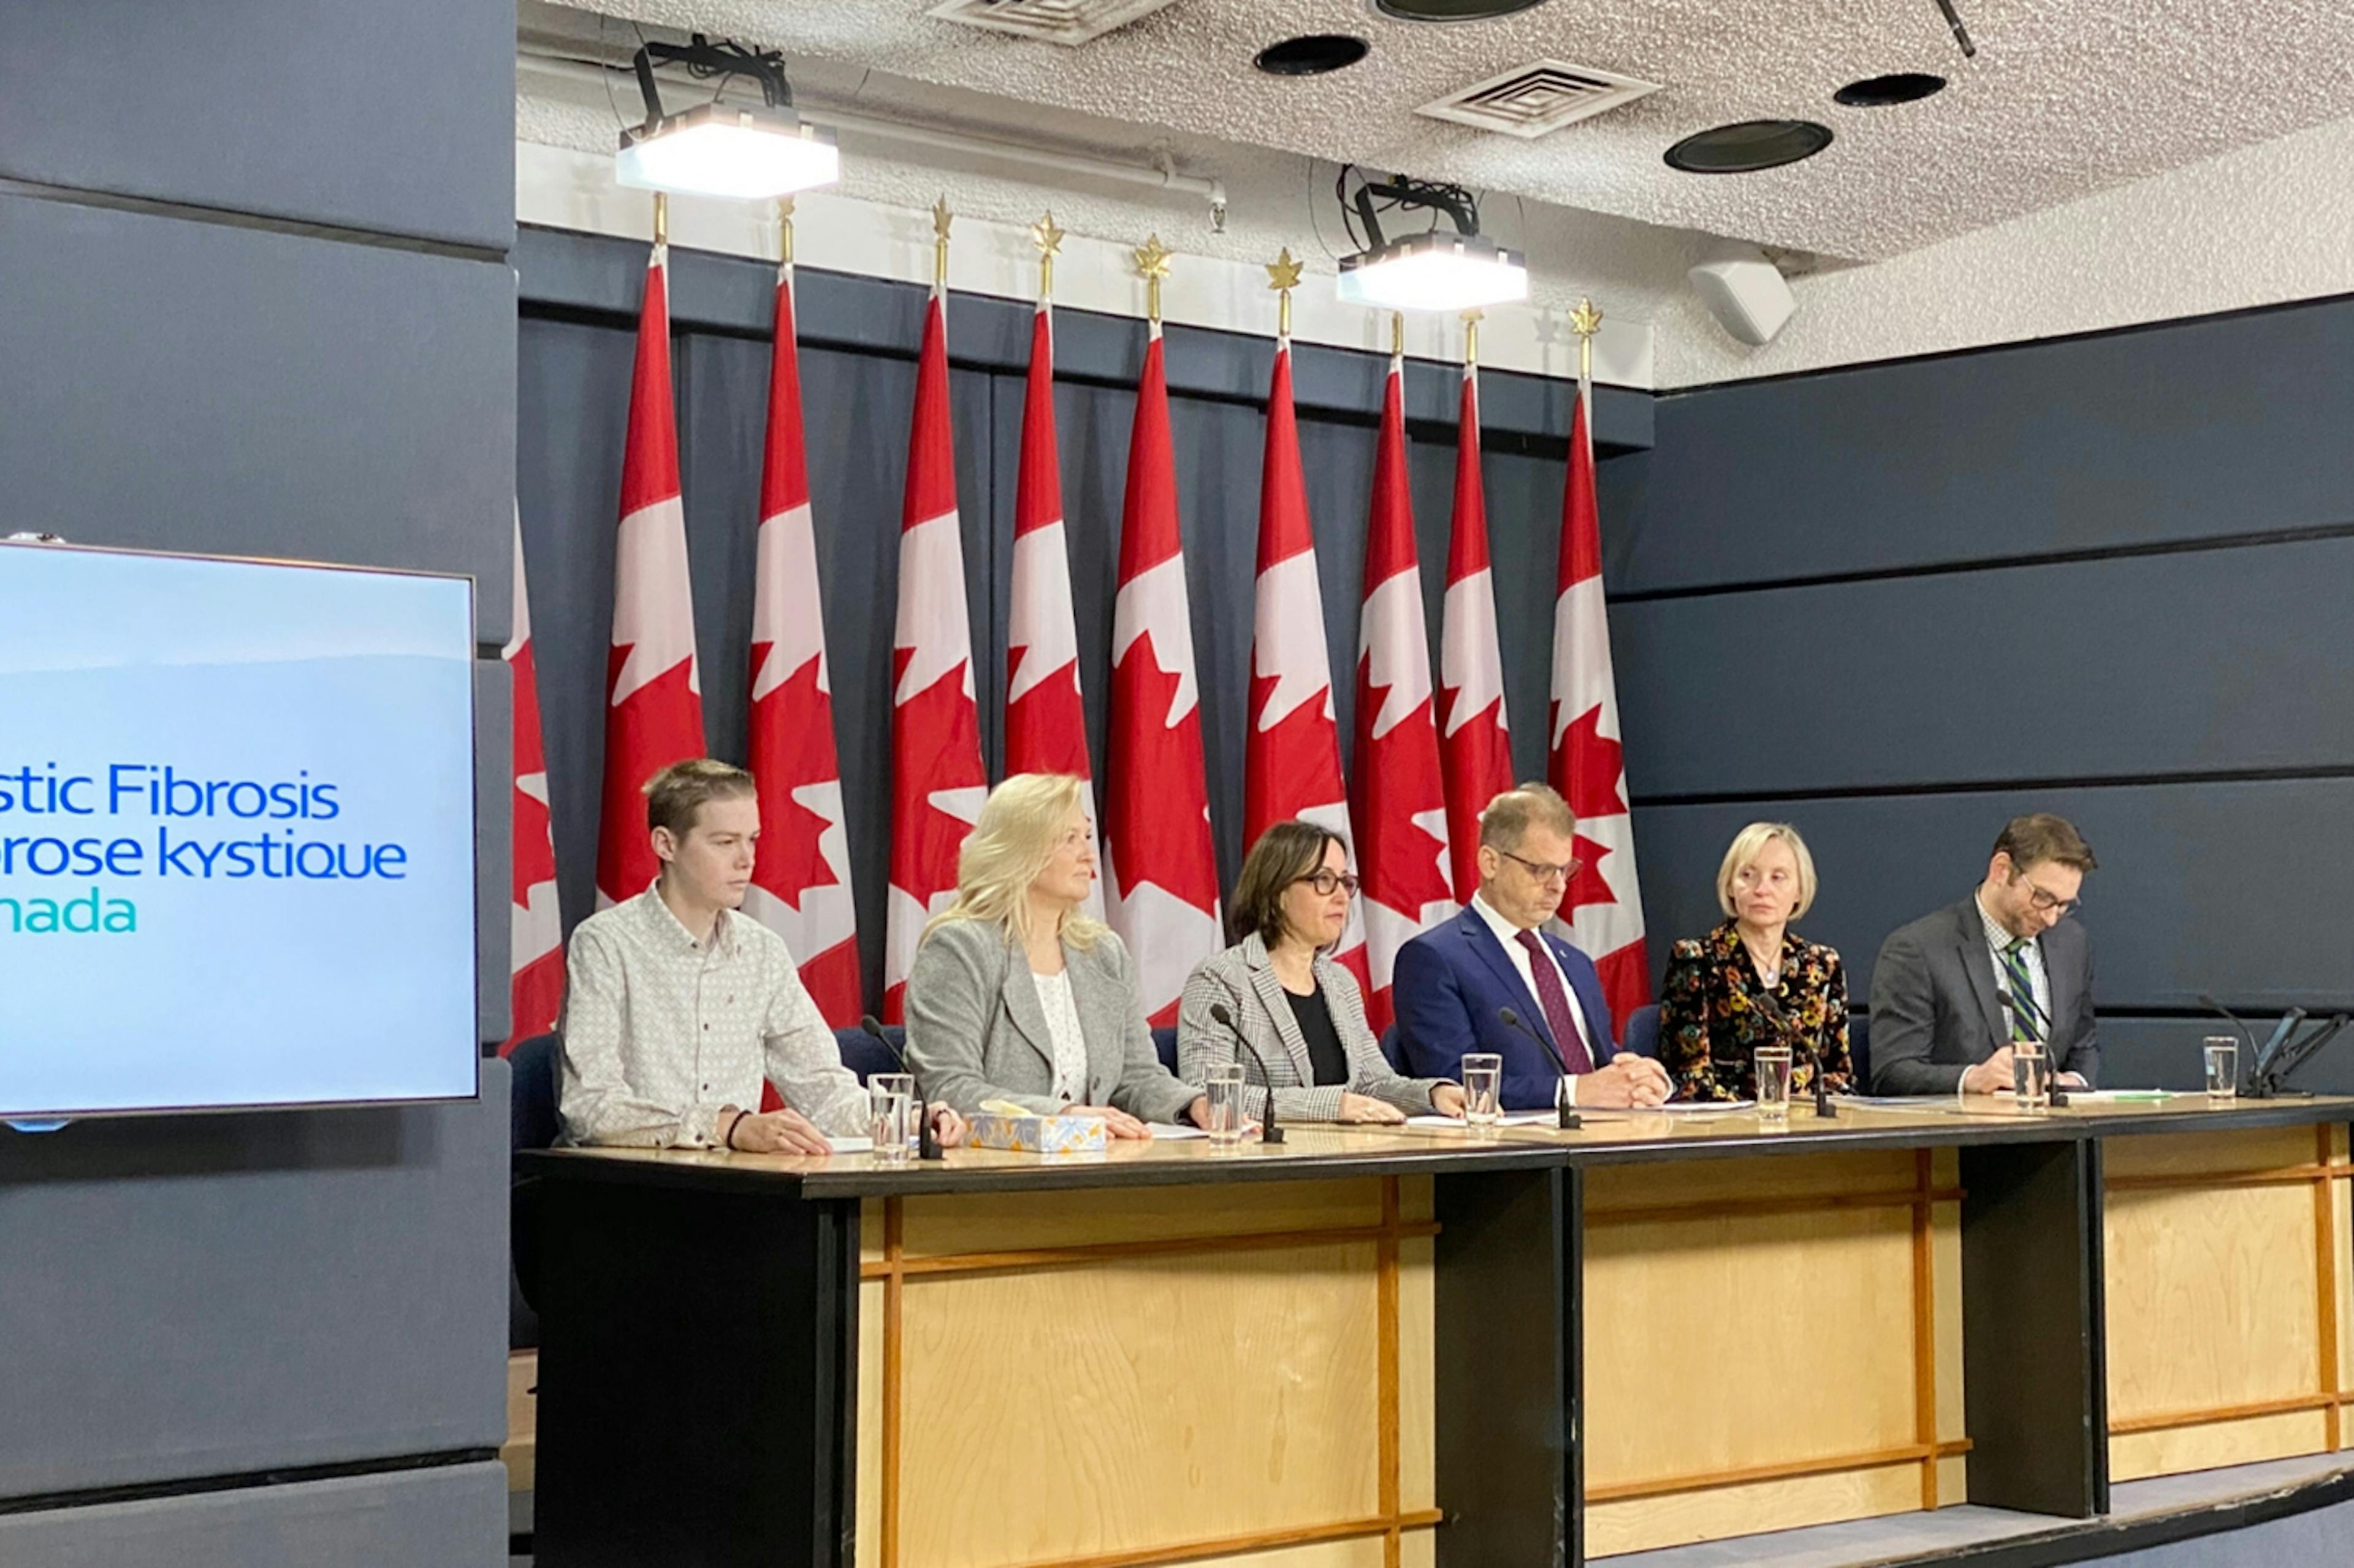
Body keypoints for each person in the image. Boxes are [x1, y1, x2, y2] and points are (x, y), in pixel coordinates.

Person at [558, 759, 967, 1154]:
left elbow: (821, 1087)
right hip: (627, 1185)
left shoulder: (761, 950)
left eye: (752, 839)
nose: (746, 859)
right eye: (725, 842)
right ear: (666, 844)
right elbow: (591, 1107)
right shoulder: (605, 943)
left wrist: (906, 1119)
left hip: (736, 1189)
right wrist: (727, 1126)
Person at [903, 773, 1214, 1136]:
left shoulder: (1103, 952)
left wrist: (1193, 1104)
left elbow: (1136, 1075)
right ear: (1020, 849)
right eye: (1070, 839)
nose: (1087, 854)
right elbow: (950, 1087)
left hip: (1095, 1164)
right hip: (992, 1168)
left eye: (1085, 836)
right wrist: (1062, 1114)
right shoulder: (961, 947)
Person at [1394, 783, 1669, 1111]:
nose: (1558, 885)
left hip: (1603, 1142)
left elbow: (1596, 1065)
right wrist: (1573, 1093)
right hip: (1512, 1153)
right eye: (1540, 870)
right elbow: (1456, 1085)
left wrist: (1639, 1080)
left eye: (1565, 870)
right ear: (1490, 862)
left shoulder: (1575, 963)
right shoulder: (1434, 958)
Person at [1178, 821, 1468, 1124]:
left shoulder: (1339, 982)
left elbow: (1374, 1084)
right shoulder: (1221, 979)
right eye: (1324, 880)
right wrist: (1334, 1105)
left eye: (1345, 882)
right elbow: (1211, 1095)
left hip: (1346, 1155)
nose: (1342, 897)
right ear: (1278, 891)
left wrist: (1432, 1094)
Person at [1870, 813, 2100, 1095]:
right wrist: (1972, 1079)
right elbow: (1892, 1072)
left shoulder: (2071, 943)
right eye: (2043, 898)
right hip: (1961, 1134)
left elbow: (2083, 1046)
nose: (2052, 918)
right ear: (2002, 870)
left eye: (2064, 904)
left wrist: (2074, 1081)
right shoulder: (1918, 949)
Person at [1658, 822, 1853, 1102]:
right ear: (1729, 886)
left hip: (1807, 1126)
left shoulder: (1823, 965)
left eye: (1778, 877)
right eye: (1748, 875)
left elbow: (1839, 1074)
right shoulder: (1696, 959)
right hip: (1728, 1128)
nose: (1762, 889)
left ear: (1799, 890)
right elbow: (1688, 1077)